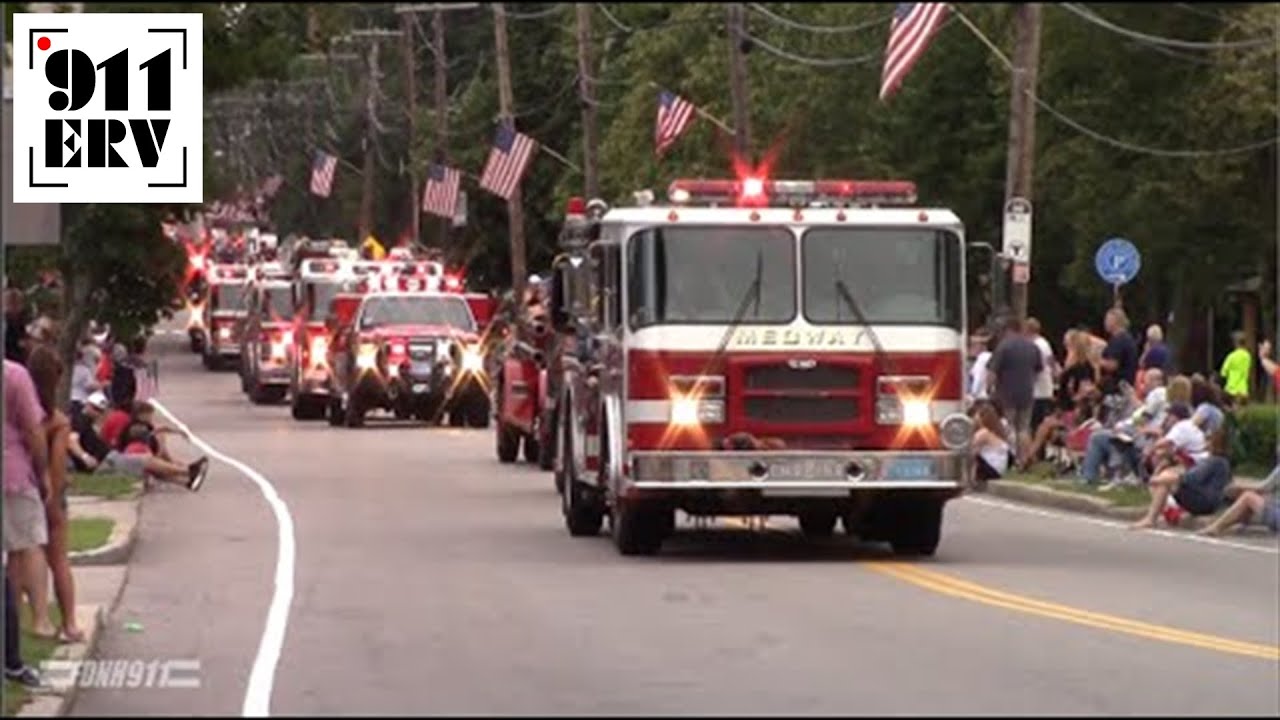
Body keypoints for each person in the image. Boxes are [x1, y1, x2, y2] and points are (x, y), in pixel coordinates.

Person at [25, 346, 85, 643]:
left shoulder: (20, 414)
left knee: (23, 558)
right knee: (59, 561)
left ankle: (37, 619)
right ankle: (70, 623)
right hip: (50, 497)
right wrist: (56, 499)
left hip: (22, 490)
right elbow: (58, 466)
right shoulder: (57, 421)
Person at [3, 359, 53, 638]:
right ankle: (39, 619)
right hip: (12, 471)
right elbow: (35, 429)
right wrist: (42, 471)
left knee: (15, 549)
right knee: (28, 544)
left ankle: (11, 622)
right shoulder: (14, 374)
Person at [69, 392, 210, 491]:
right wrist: (85, 457)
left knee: (148, 466)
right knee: (146, 460)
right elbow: (71, 440)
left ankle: (185, 482)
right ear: (88, 406)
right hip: (105, 460)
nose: (100, 414)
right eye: (96, 410)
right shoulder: (80, 419)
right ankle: (188, 470)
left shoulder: (89, 422)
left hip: (108, 456)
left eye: (101, 410)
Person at [986, 317, 1043, 458]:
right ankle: (1024, 458)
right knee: (1024, 428)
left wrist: (989, 388)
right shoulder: (1033, 347)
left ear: (1007, 330)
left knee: (1008, 426)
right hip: (1027, 392)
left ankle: (1010, 457)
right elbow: (1038, 371)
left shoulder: (1003, 347)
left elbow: (992, 372)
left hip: (1006, 393)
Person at [1026, 318, 1058, 433]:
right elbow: (1052, 363)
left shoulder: (1035, 346)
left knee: (1035, 423)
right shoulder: (1045, 343)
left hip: (1038, 389)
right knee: (1041, 421)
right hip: (1045, 387)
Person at [970, 402, 1011, 490]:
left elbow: (969, 447)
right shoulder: (998, 432)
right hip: (999, 470)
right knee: (976, 451)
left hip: (991, 469)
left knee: (971, 454)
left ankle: (970, 480)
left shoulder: (984, 433)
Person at [1099, 308, 1138, 395]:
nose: (1105, 322)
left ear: (1115, 321)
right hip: (1127, 386)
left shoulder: (1119, 340)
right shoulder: (1127, 338)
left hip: (1117, 389)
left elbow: (1112, 365)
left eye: (1107, 319)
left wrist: (1096, 360)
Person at [69, 342, 102, 421]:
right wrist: (99, 386)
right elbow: (89, 386)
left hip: (69, 398)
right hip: (80, 401)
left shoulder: (69, 369)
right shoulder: (84, 370)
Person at [1218, 331, 1252, 404]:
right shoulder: (1247, 356)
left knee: (1233, 408)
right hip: (1243, 388)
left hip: (1231, 388)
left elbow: (1223, 372)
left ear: (1236, 343)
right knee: (1242, 410)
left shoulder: (1231, 356)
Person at [4, 288, 31, 363]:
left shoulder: (20, 319)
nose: (15, 307)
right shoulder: (4, 322)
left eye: (18, 303)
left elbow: (23, 336)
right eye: (12, 304)